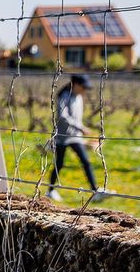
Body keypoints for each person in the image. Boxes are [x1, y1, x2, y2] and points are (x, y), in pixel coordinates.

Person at [46, 74, 108, 203]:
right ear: (75, 84)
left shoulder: (79, 97)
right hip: (62, 137)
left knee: (86, 162)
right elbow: (62, 116)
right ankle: (50, 191)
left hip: (75, 137)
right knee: (59, 164)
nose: (85, 90)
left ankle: (95, 191)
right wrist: (81, 127)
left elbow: (76, 116)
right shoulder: (63, 96)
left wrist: (79, 129)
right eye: (83, 87)